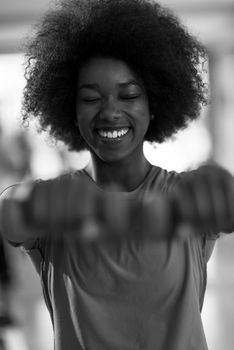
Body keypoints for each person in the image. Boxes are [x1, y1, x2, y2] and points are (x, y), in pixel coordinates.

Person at [0, 0, 234, 349]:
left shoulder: (188, 197)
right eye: (91, 98)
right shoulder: (48, 207)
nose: (111, 112)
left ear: (153, 104)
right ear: (71, 109)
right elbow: (9, 214)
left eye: (129, 95)